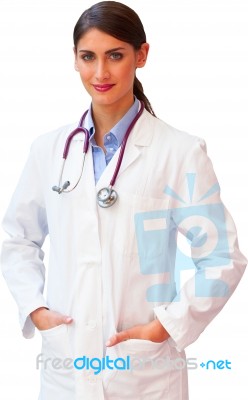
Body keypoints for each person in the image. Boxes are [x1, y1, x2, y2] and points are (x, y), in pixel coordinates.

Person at [1, 1, 246, 399]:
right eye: (88, 57)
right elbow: (18, 238)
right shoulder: (48, 151)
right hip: (66, 368)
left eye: (115, 55)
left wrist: (166, 326)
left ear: (141, 55)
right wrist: (35, 308)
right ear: (75, 61)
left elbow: (222, 258)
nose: (101, 73)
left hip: (144, 375)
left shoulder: (179, 152)